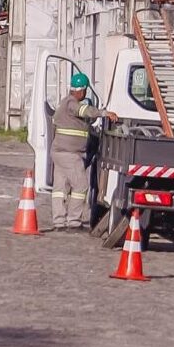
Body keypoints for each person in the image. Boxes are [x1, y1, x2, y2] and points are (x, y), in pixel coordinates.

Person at [50, 71, 117, 231]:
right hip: (70, 154)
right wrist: (103, 113)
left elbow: (83, 118)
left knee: (60, 189)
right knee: (80, 186)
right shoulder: (71, 103)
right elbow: (84, 111)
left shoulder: (65, 104)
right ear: (82, 90)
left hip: (60, 152)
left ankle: (59, 221)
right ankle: (74, 222)